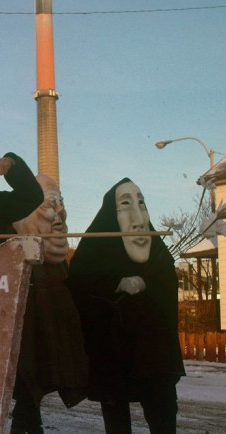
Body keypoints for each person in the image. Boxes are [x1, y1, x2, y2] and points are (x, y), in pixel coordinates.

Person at [66, 178, 185, 434]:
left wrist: (146, 283)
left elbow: (167, 282)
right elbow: (78, 284)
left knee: (163, 413)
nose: (138, 217)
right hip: (113, 353)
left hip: (154, 354)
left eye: (141, 203)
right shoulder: (95, 246)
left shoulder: (158, 251)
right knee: (117, 419)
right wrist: (115, 283)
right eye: (125, 204)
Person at [9, 174, 88, 433]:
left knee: (30, 401)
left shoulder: (59, 268)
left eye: (60, 202)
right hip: (23, 359)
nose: (59, 213)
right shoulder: (10, 263)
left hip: (45, 354)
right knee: (26, 398)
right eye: (48, 204)